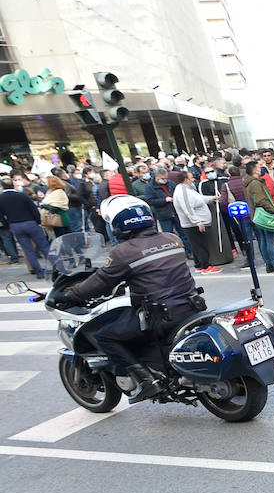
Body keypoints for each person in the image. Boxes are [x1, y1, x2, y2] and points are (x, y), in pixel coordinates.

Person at [47, 197, 199, 402]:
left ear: (119, 224)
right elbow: (155, 272)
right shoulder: (172, 239)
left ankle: (148, 382)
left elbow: (100, 281)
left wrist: (69, 295)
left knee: (105, 336)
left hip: (159, 316)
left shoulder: (124, 252)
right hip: (191, 306)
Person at [244, 160, 274, 273]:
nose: (261, 168)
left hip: (256, 215)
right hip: (264, 214)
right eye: (259, 167)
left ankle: (269, 264)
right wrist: (272, 210)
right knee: (270, 240)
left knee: (263, 240)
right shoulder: (255, 183)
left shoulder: (248, 183)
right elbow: (261, 200)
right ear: (255, 170)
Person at [0, 178, 50, 277]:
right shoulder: (22, 195)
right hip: (30, 222)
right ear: (14, 185)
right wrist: (38, 221)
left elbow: (1, 215)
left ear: (2, 186)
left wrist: (8, 224)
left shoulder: (1, 198)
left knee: (28, 250)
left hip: (15, 224)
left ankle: (39, 272)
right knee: (44, 247)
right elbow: (33, 209)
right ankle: (57, 268)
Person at [171, 169, 217, 274]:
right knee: (201, 244)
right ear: (186, 179)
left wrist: (211, 198)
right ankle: (206, 266)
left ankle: (199, 265)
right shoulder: (182, 191)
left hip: (195, 222)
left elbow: (199, 199)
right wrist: (197, 222)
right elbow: (187, 207)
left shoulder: (188, 189)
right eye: (191, 177)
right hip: (193, 224)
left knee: (197, 245)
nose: (193, 179)